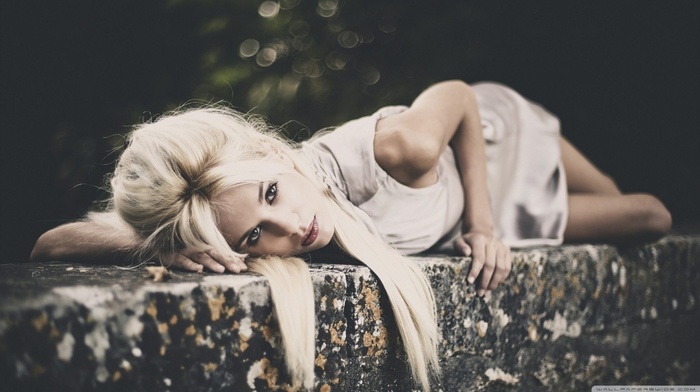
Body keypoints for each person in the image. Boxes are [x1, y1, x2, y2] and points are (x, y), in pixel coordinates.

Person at [30, 80, 672, 391]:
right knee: (644, 218)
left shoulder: (395, 148)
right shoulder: (230, 210)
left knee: (644, 212)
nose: (294, 230)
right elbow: (52, 246)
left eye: (273, 196)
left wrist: (483, 222)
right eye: (257, 236)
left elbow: (460, 101)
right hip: (479, 209)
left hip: (495, 152)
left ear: (271, 154)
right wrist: (167, 244)